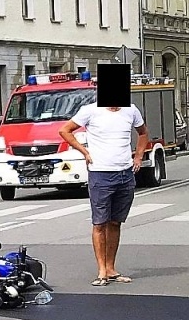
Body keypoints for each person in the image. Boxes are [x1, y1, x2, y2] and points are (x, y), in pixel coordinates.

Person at [59, 98, 147, 285]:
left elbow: (143, 133)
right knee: (99, 223)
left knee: (115, 222)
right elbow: (65, 130)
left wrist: (138, 156)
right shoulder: (90, 110)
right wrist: (85, 152)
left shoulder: (131, 110)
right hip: (100, 173)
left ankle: (111, 268)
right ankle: (101, 271)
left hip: (125, 174)